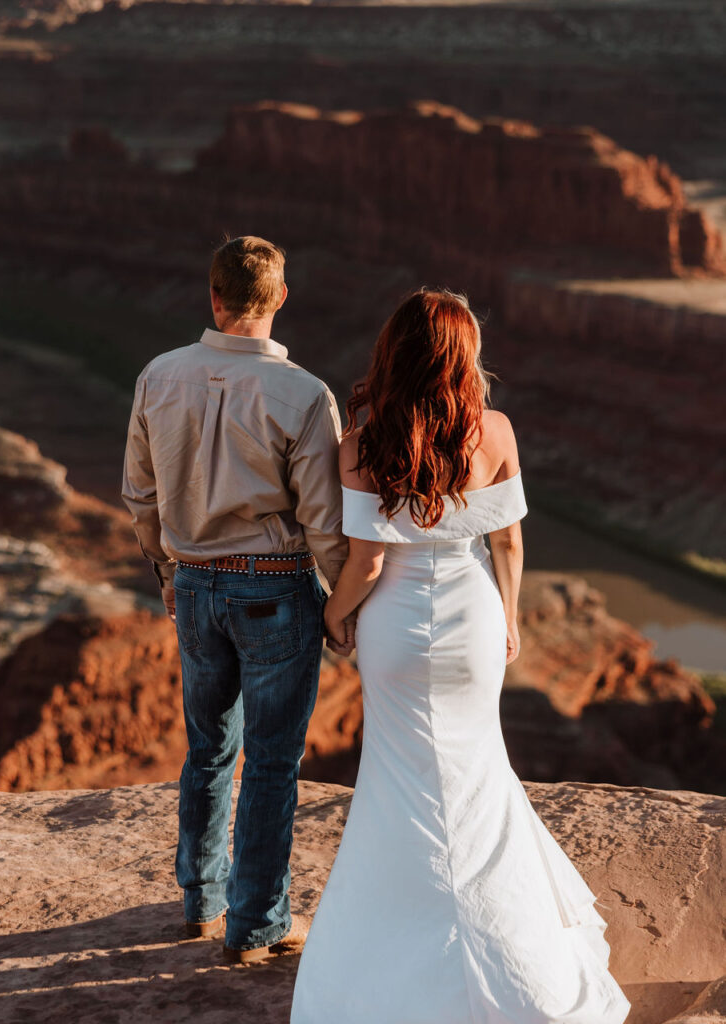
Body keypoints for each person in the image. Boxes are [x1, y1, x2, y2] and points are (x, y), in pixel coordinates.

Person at [290, 288, 631, 1023]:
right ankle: (515, 958)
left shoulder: (362, 438)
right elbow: (506, 542)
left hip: (394, 632)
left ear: (395, 354)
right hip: (473, 619)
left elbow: (367, 563)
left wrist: (332, 615)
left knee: (395, 784)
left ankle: (399, 962)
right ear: (462, 357)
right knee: (477, 775)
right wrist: (506, 618)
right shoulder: (496, 432)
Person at [122, 236, 350, 964]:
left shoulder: (158, 376)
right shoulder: (305, 395)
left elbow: (139, 493)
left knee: (209, 750)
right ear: (280, 298)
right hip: (275, 587)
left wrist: (165, 570)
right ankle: (255, 926)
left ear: (211, 295)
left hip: (191, 582)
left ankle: (200, 902)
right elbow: (324, 521)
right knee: (273, 762)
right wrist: (344, 603)